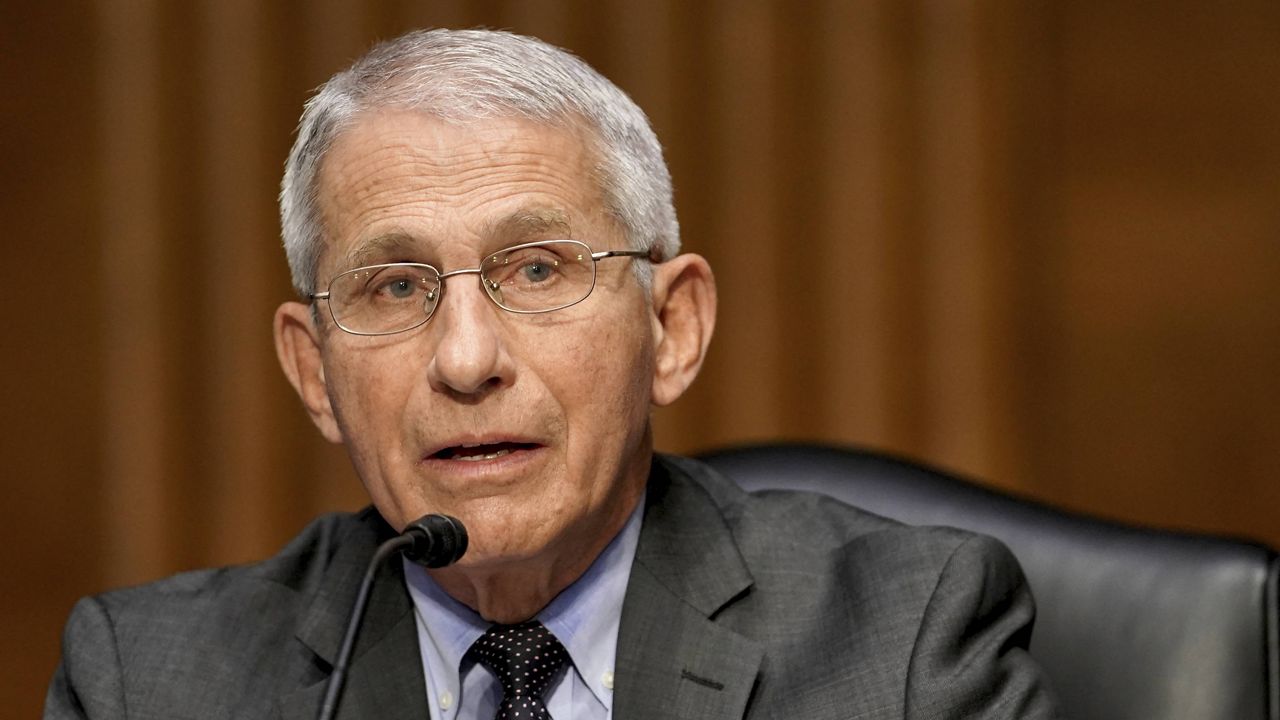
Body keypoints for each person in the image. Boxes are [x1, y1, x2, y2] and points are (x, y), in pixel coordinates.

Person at [45, 28, 1059, 719]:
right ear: (314, 371)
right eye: (394, 289)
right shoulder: (152, 681)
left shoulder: (905, 641)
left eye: (536, 269)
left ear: (671, 327)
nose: (466, 359)